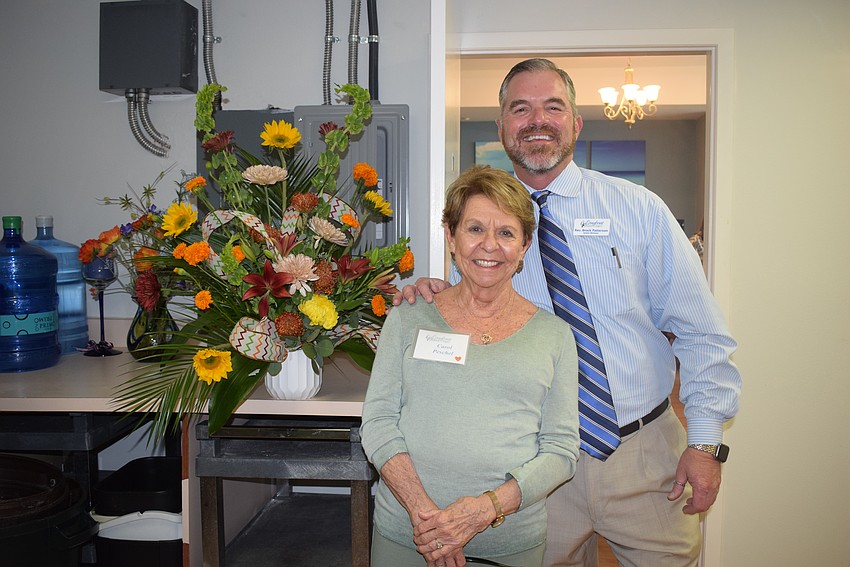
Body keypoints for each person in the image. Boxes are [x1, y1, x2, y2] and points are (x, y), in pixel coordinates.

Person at [396, 58, 742, 566]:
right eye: (521, 109)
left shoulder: (639, 209)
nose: (537, 120)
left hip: (645, 459)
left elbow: (702, 332)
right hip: (530, 466)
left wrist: (707, 444)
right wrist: (428, 291)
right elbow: (461, 318)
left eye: (552, 106)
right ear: (502, 127)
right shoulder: (477, 227)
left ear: (576, 122)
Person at [361, 165, 581, 567]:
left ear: (525, 245)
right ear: (451, 236)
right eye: (475, 229)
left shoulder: (555, 336)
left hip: (510, 543)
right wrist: (427, 518)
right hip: (408, 536)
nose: (489, 246)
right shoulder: (410, 316)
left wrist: (481, 511)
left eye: (506, 233)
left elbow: (562, 451)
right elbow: (377, 422)